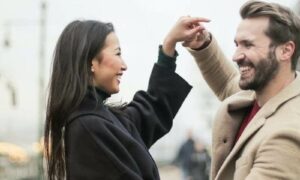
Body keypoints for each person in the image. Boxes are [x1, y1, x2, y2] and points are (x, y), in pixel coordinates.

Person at [44, 18, 209, 180]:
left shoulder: (98, 120)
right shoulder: (89, 127)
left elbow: (150, 111)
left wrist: (169, 46)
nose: (124, 65)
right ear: (91, 62)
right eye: (117, 53)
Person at [169, 1, 300, 179]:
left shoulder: (288, 133)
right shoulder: (258, 95)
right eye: (237, 44)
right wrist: (202, 43)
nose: (236, 56)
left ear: (286, 50)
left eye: (248, 45)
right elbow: (228, 82)